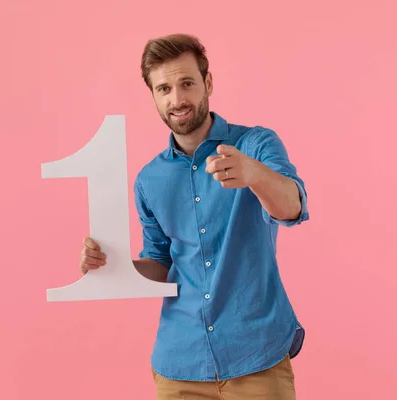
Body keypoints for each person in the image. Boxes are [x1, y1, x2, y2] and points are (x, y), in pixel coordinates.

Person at [79, 33, 309, 399]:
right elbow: (160, 262)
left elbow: (292, 208)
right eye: (164, 89)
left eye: (186, 83)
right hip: (179, 365)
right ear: (153, 96)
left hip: (256, 357)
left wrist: (253, 174)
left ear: (208, 83)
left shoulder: (255, 145)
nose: (177, 99)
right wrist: (110, 266)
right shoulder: (149, 179)